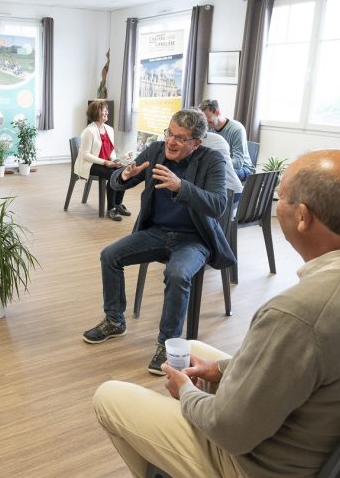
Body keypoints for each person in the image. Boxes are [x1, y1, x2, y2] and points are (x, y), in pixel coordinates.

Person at [93, 150, 340, 478]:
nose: (277, 205)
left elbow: (230, 431)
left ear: (303, 216)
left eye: (282, 197)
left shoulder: (299, 314)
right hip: (326, 459)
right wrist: (219, 371)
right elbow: (311, 366)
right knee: (203, 353)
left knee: (109, 397)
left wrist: (186, 392)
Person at [82, 108, 234, 375]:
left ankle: (167, 343)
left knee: (176, 274)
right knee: (110, 255)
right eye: (169, 133)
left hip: (193, 239)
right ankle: (115, 321)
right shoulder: (155, 151)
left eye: (181, 138)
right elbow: (119, 182)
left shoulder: (213, 160)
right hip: (157, 232)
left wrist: (181, 186)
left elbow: (219, 205)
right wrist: (125, 175)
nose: (171, 142)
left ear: (196, 143)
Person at [74, 100, 131, 221]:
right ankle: (111, 209)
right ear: (96, 113)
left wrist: (116, 160)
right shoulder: (88, 131)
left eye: (106, 109)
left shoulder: (109, 129)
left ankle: (118, 204)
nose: (107, 112)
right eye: (103, 110)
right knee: (113, 175)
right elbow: (85, 155)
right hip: (90, 164)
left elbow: (111, 149)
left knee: (126, 170)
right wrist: (106, 163)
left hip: (106, 162)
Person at [198, 99, 253, 181]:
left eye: (208, 118)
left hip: (244, 169)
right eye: (203, 119)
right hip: (220, 165)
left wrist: (215, 162)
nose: (205, 123)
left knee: (216, 174)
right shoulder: (208, 128)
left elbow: (238, 163)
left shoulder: (236, 129)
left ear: (217, 112)